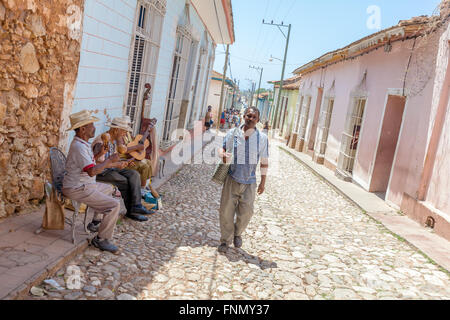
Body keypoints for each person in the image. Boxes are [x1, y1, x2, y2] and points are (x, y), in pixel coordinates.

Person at [62, 110, 121, 253]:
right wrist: (108, 161)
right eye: (92, 125)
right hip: (77, 187)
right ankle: (101, 239)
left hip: (85, 184)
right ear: (83, 129)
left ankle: (96, 222)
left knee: (109, 189)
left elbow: (88, 165)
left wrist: (99, 155)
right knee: (114, 205)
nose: (95, 128)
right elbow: (92, 171)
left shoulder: (82, 143)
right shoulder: (79, 146)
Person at [217, 107, 269, 253]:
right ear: (244, 116)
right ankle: (225, 240)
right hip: (232, 178)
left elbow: (264, 161)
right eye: (248, 116)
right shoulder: (233, 133)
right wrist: (223, 155)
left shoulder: (262, 139)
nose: (250, 119)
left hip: (250, 181)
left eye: (254, 117)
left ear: (258, 120)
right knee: (226, 211)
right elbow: (221, 148)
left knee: (247, 212)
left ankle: (237, 233)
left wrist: (263, 182)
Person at [92, 117, 153, 222]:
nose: (125, 133)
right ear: (116, 130)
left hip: (111, 168)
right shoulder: (101, 141)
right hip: (100, 172)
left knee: (134, 175)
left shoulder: (114, 140)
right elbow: (98, 163)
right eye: (124, 131)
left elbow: (114, 157)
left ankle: (136, 206)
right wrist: (117, 164)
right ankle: (132, 211)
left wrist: (125, 162)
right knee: (124, 181)